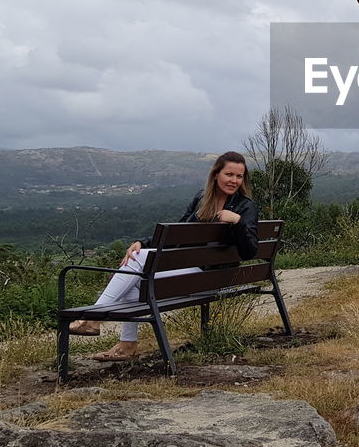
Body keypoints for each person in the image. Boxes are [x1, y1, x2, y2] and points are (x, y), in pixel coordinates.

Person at [68, 151, 259, 361]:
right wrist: (143, 242)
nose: (233, 181)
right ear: (216, 174)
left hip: (212, 278)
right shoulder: (201, 199)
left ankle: (92, 318)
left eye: (239, 176)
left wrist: (238, 221)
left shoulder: (245, 207)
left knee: (137, 260)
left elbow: (249, 251)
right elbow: (175, 233)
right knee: (133, 285)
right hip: (194, 274)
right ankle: (127, 344)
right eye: (229, 174)